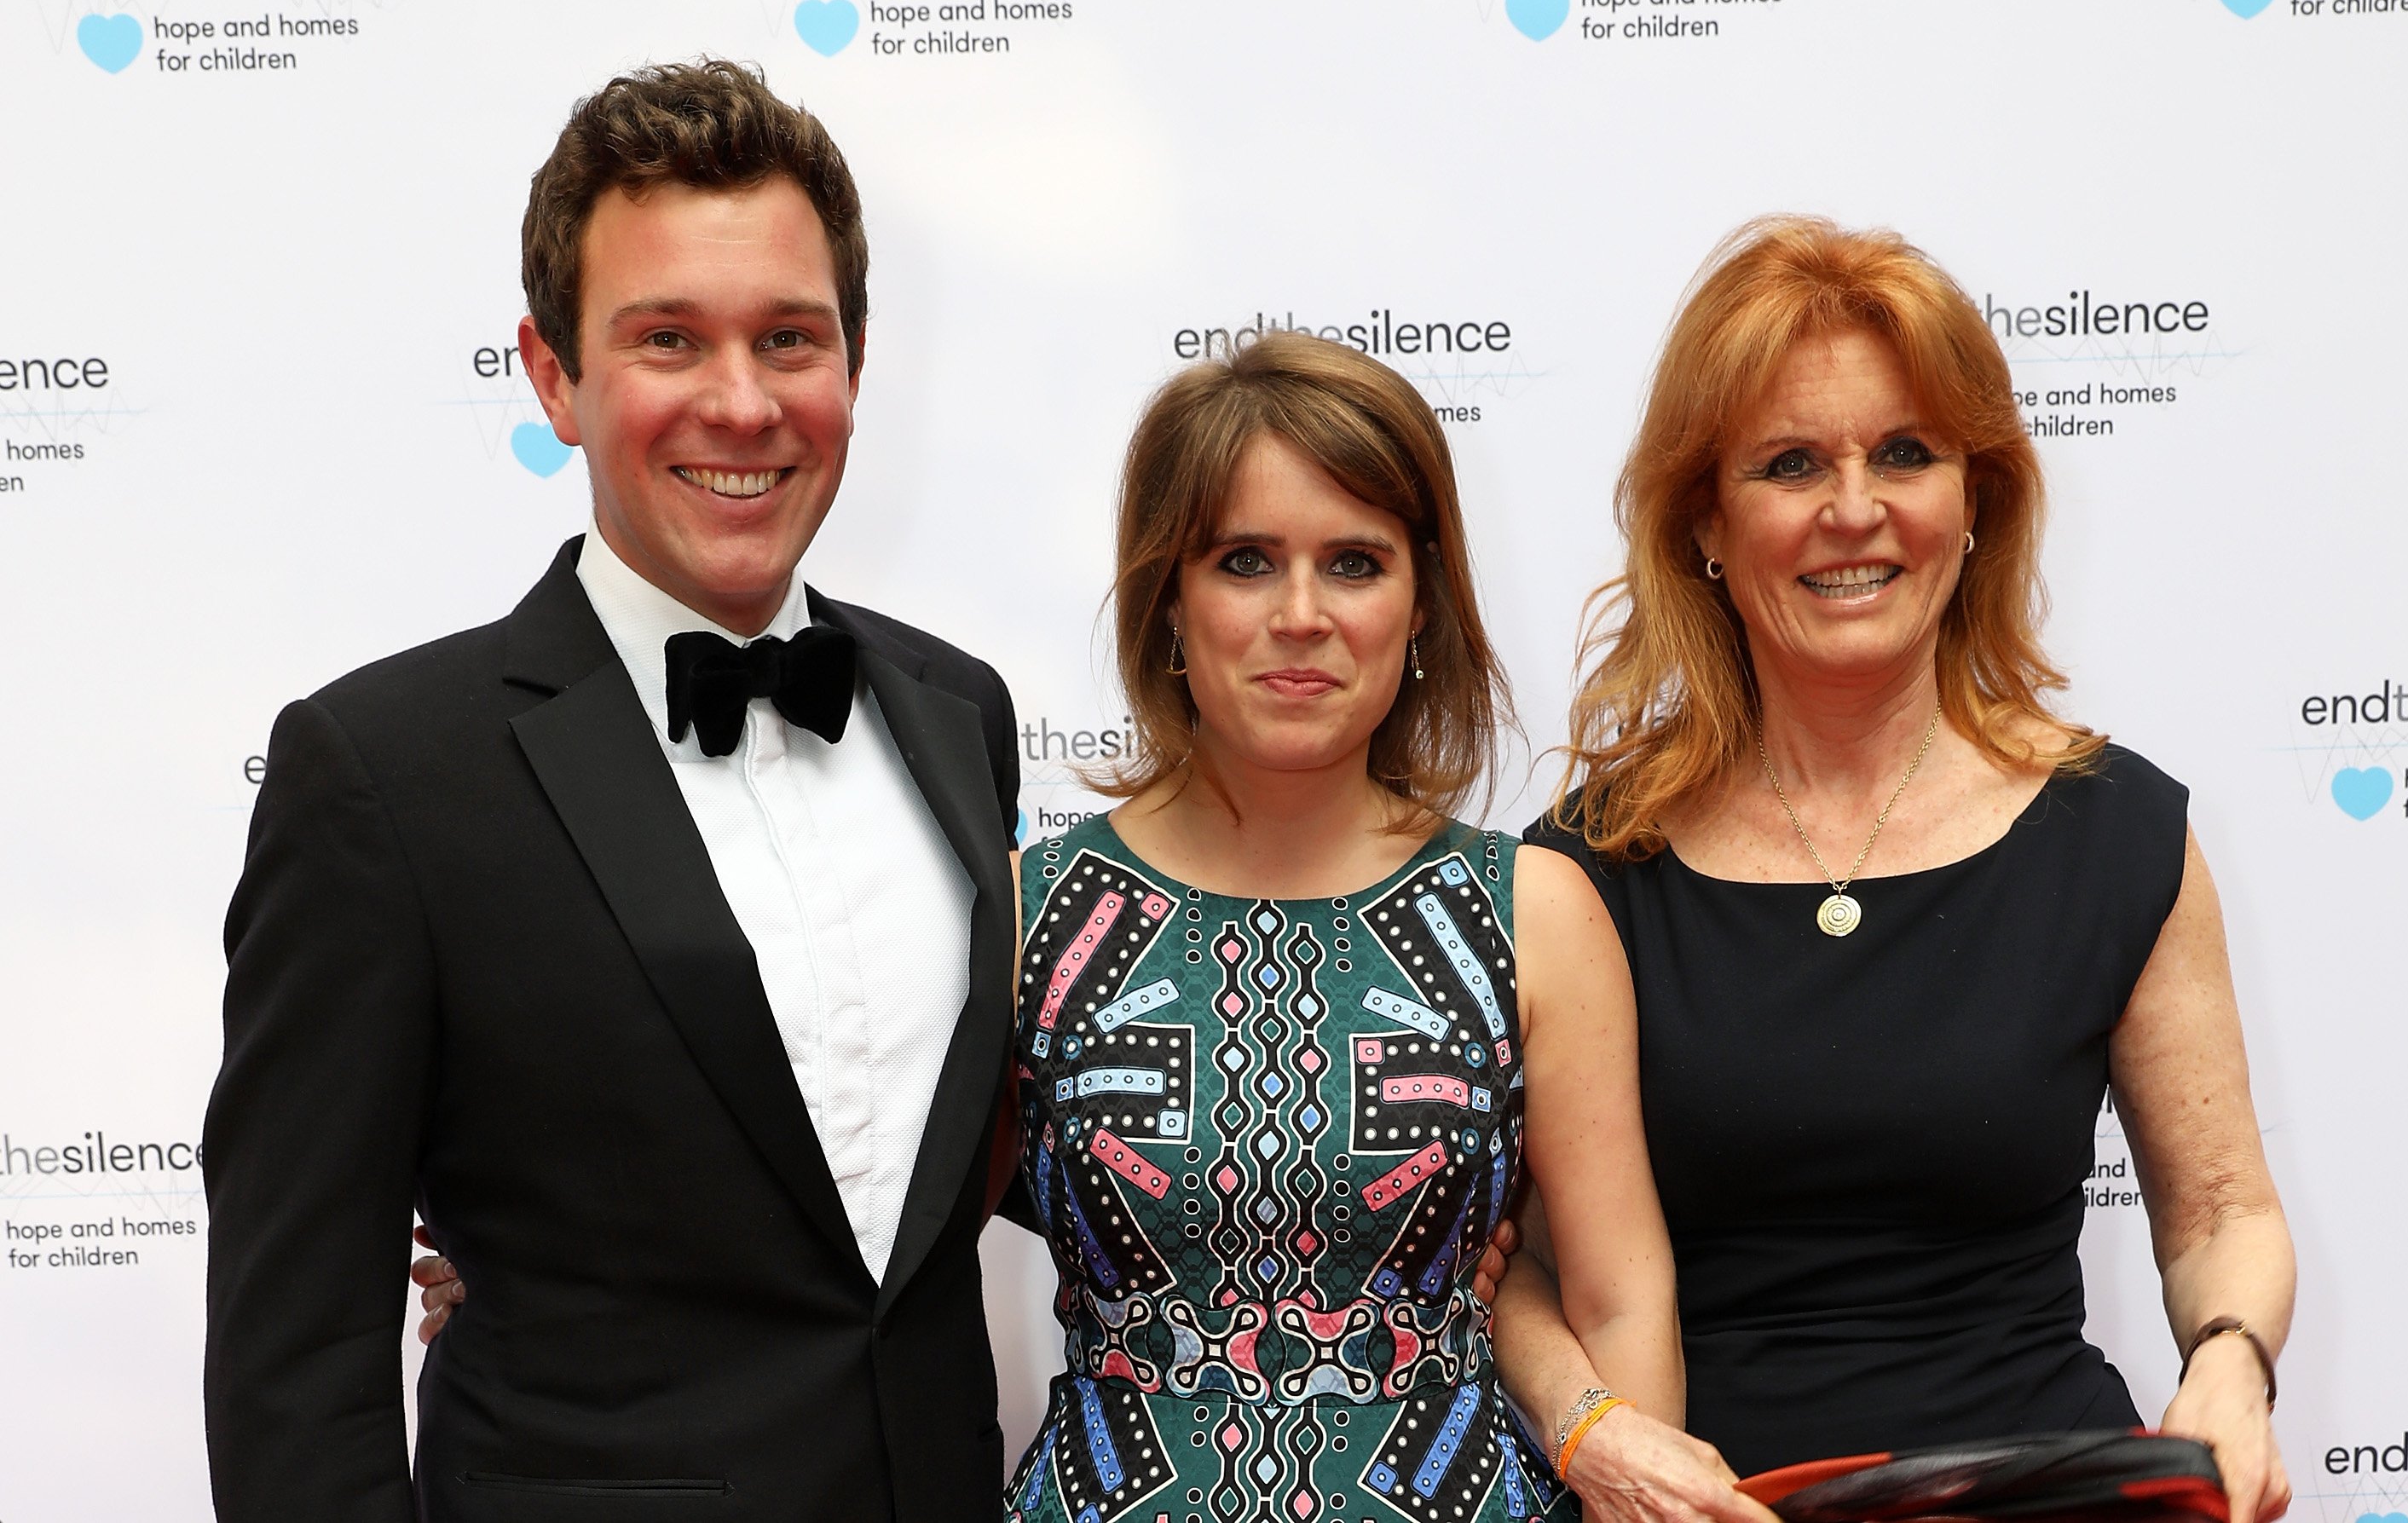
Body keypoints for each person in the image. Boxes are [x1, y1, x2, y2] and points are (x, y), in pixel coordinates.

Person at [420, 332, 1735, 1523]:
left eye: (1355, 561)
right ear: (1169, 602)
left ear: (1419, 605)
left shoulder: (1528, 911)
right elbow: (853, 1238)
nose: (1301, 616)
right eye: (1244, 562)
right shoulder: (1026, 909)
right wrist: (560, 1265)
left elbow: (1618, 1298)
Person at [205, 61, 1022, 1520]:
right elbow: (296, 1362)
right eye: (667, 339)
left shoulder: (961, 714)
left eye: (790, 339)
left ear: (852, 363)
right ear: (553, 374)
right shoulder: (383, 775)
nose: (741, 401)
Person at [1489, 216, 2296, 1523]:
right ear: (1704, 520)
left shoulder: (2115, 831)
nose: (1853, 510)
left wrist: (2230, 1369)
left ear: (1975, 499)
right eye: (1790, 463)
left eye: (1905, 454)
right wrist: (1594, 1435)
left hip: (2045, 1499)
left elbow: (2222, 1217)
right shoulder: (1586, 869)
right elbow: (1508, 1264)